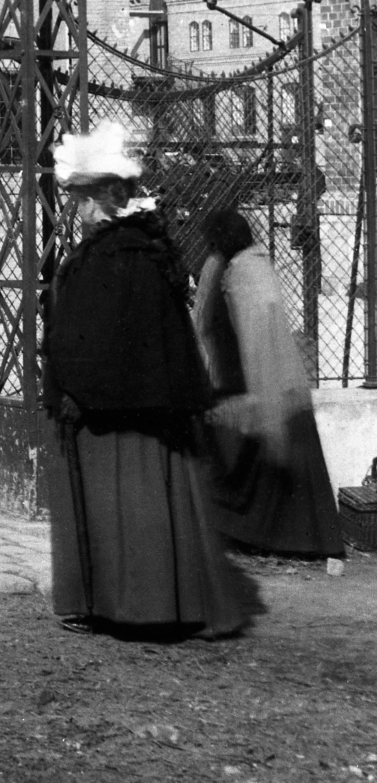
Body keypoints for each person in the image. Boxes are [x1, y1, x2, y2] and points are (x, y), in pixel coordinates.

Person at [40, 121, 248, 639]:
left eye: (84, 201)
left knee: (125, 506)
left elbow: (98, 335)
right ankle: (151, 604)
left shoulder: (115, 254)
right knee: (148, 505)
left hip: (113, 413)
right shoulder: (142, 248)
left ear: (106, 200)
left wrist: (72, 390)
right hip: (147, 405)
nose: (80, 212)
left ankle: (134, 606)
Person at [193, 208, 346, 560]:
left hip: (264, 388)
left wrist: (263, 408)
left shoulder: (247, 272)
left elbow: (258, 340)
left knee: (254, 470)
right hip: (263, 387)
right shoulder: (242, 266)